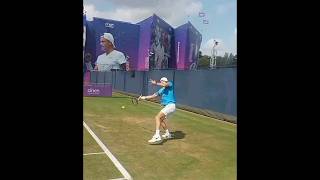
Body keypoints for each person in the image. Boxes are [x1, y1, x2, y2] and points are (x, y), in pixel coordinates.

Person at [138, 77, 176, 144]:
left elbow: (165, 85)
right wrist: (143, 97)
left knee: (157, 117)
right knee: (160, 119)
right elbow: (153, 95)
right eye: (161, 81)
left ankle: (157, 136)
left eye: (162, 81)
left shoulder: (170, 84)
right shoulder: (162, 90)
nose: (162, 83)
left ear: (165, 81)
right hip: (168, 106)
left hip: (170, 105)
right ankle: (167, 134)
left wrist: (156, 83)